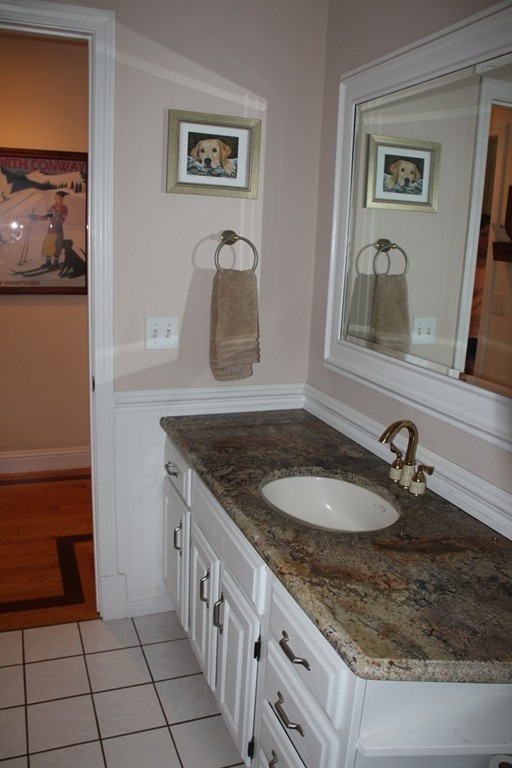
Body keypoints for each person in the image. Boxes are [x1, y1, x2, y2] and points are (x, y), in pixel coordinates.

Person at [465, 213, 490, 375]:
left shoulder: (492, 271)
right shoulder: (468, 266)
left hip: (483, 332)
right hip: (467, 331)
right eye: (484, 235)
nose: (487, 240)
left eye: (489, 236)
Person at [29, 190, 69, 268]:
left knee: (57, 246)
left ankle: (56, 263)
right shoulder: (52, 207)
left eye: (57, 197)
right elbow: (47, 217)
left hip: (58, 231)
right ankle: (48, 262)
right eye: (55, 197)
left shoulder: (64, 208)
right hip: (50, 230)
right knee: (47, 245)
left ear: (61, 198)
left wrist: (56, 217)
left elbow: (62, 220)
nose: (55, 199)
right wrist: (36, 217)